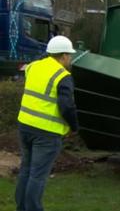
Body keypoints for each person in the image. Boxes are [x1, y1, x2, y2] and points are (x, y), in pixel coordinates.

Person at [15, 35, 79, 211]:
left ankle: (21, 207)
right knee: (38, 176)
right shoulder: (63, 76)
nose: (70, 59)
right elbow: (66, 106)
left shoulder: (33, 67)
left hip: (24, 126)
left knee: (26, 170)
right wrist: (74, 126)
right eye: (69, 55)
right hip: (46, 133)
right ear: (64, 56)